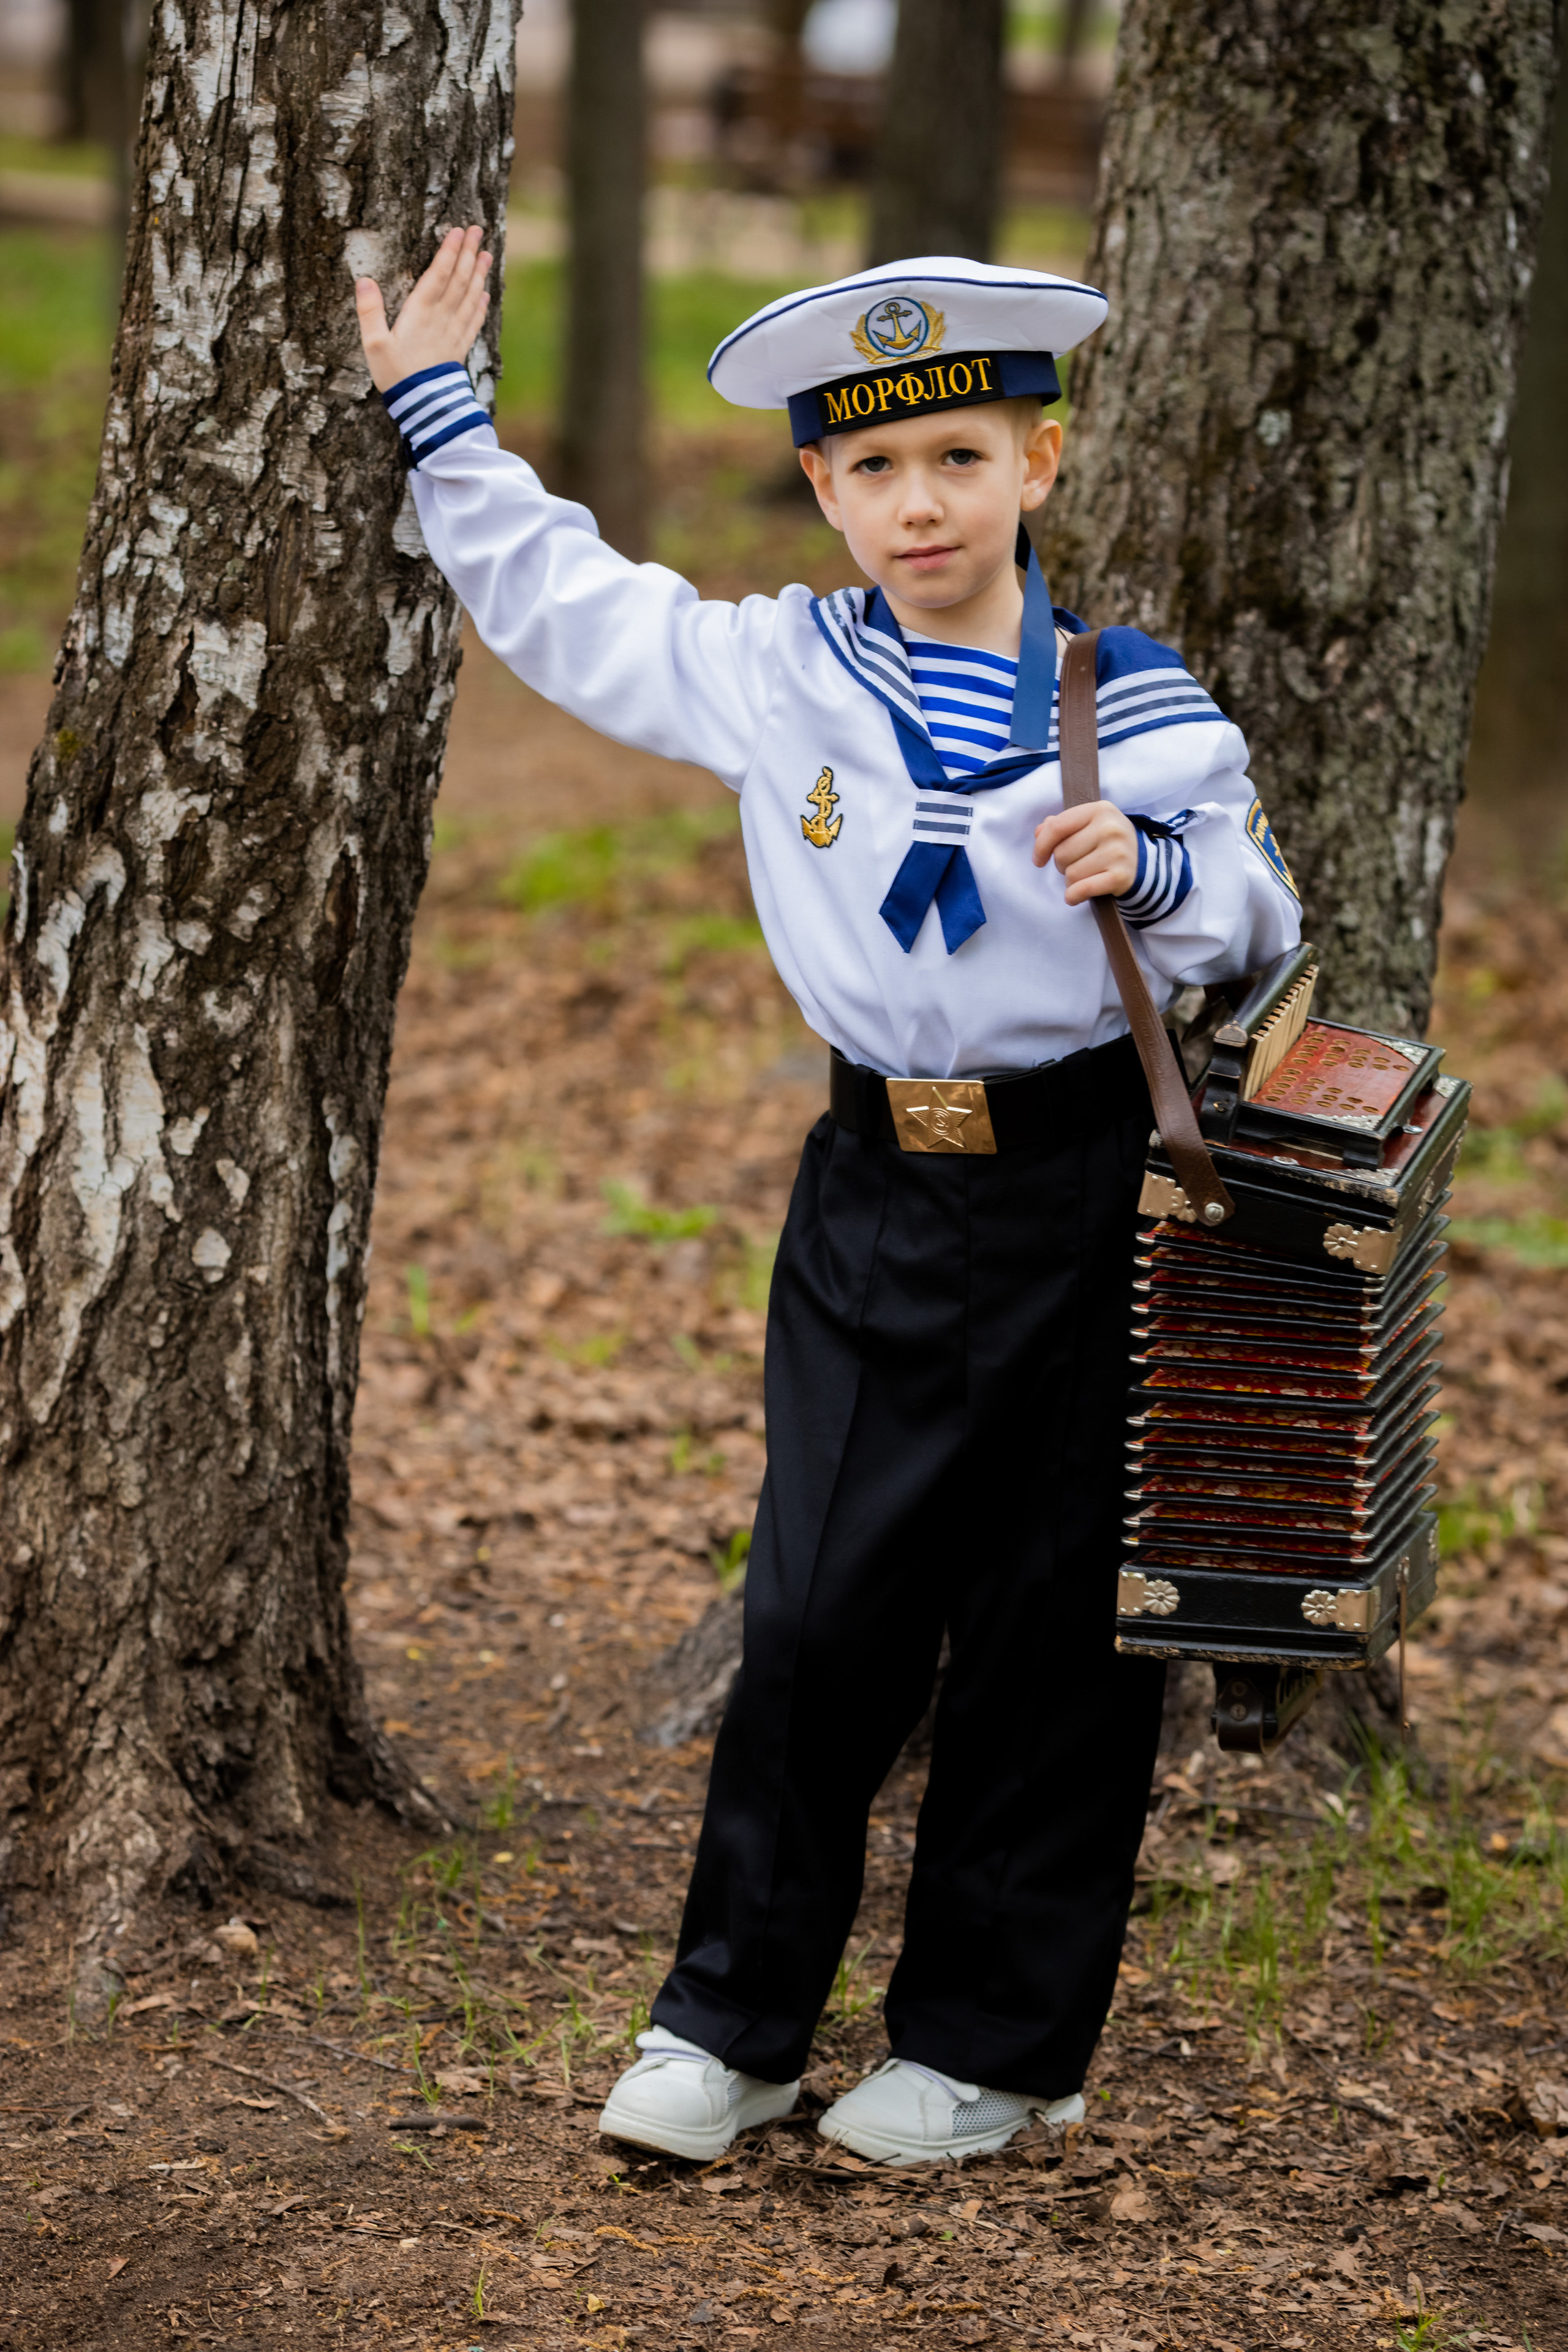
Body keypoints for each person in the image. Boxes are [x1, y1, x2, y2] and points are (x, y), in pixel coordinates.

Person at [355, 233, 1302, 2167]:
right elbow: (571, 603)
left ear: (1039, 466)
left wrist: (1162, 865)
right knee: (814, 1606)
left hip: (1085, 1190)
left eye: (959, 456)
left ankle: (991, 2047)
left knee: (1053, 1623)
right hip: (878, 1179)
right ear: (823, 489)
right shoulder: (781, 669)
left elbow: (1257, 916)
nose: (917, 503)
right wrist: (436, 413)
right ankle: (733, 2022)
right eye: (874, 471)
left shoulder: (1132, 700)